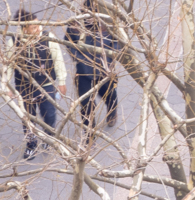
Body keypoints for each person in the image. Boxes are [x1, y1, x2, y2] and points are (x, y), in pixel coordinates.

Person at [11, 16, 56, 161]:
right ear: (25, 29)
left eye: (39, 26)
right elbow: (8, 64)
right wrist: (7, 86)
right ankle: (31, 144)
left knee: (49, 114)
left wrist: (61, 80)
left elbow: (58, 59)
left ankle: (49, 137)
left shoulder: (48, 38)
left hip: (46, 84)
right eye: (34, 27)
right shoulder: (14, 41)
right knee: (28, 118)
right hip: (24, 86)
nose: (39, 29)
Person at [66, 17, 117, 132]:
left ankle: (112, 112)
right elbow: (69, 43)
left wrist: (109, 59)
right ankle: (89, 134)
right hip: (84, 72)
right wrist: (80, 59)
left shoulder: (107, 23)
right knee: (86, 105)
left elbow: (116, 42)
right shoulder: (75, 25)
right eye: (87, 16)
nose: (90, 19)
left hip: (105, 71)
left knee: (110, 95)